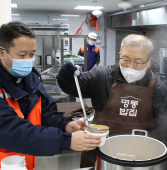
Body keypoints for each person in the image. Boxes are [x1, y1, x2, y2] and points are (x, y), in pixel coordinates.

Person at [57, 34, 167, 168]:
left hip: (140, 158)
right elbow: (74, 86)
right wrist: (65, 77)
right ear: (120, 54)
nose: (131, 66)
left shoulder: (159, 89)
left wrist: (143, 144)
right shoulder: (100, 76)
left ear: (149, 62)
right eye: (125, 59)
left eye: (138, 62)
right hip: (99, 153)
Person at [0, 21, 101, 170]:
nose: (28, 59)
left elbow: (46, 113)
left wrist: (65, 125)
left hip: (24, 163)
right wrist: (65, 140)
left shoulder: (32, 80)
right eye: (22, 55)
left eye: (32, 54)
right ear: (2, 52)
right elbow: (10, 130)